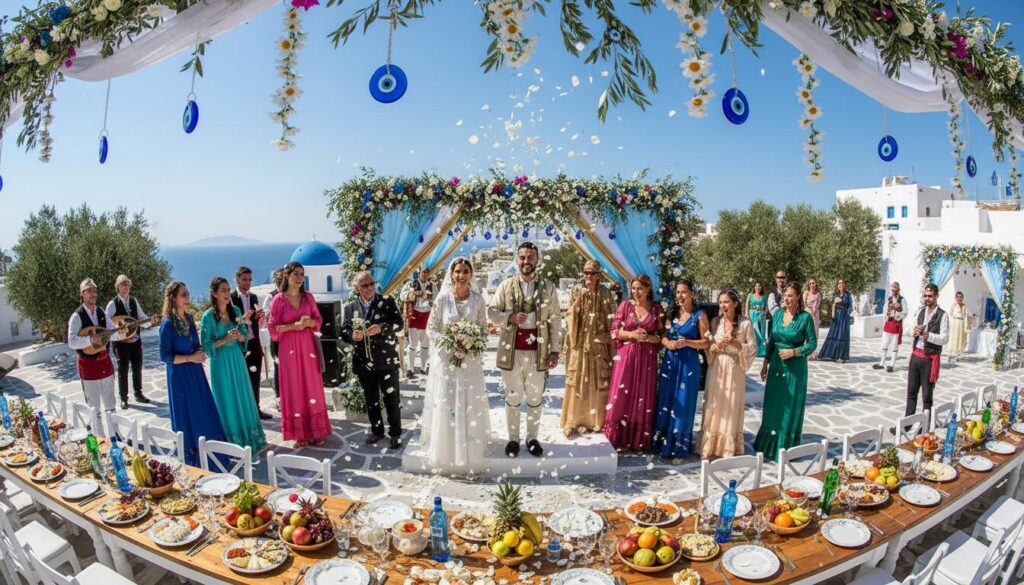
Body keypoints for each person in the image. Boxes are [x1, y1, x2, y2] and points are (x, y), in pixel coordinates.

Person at [488, 242, 563, 458]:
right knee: (513, 396)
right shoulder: (505, 285)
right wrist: (509, 317)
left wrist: (555, 351)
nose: (526, 261)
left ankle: (532, 438)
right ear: (516, 260)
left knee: (534, 396)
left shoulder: (548, 287)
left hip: (537, 352)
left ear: (537, 260)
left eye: (530, 257)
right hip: (511, 352)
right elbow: (492, 311)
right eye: (522, 257)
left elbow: (555, 320)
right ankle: (513, 439)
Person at [418, 258, 491, 474]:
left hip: (469, 363)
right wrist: (450, 346)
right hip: (446, 362)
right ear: (451, 275)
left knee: (468, 401)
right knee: (447, 402)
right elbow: (432, 329)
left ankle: (468, 448)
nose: (461, 275)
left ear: (471, 274)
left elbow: (483, 330)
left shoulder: (478, 301)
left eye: (466, 271)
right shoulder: (441, 299)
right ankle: (446, 449)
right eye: (457, 271)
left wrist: (468, 344)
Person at [158, 282, 226, 466]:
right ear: (173, 298)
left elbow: (193, 343)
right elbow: (165, 356)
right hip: (180, 377)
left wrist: (199, 351)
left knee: (204, 410)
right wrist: (190, 358)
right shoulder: (167, 325)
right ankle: (194, 459)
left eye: (188, 294)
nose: (188, 298)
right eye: (183, 295)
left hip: (196, 374)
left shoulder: (188, 318)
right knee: (189, 414)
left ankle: (214, 455)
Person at [269, 262, 332, 448]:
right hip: (288, 349)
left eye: (301, 274)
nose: (299, 277)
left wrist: (310, 322)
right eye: (295, 273)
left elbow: (319, 320)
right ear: (287, 276)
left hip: (307, 347)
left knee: (312, 385)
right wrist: (292, 326)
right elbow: (273, 329)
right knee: (294, 387)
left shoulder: (308, 298)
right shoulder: (278, 300)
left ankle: (317, 431)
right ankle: (300, 434)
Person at [201, 277, 267, 451]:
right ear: (214, 294)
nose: (226, 293)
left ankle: (251, 437)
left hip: (237, 360)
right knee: (228, 399)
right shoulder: (207, 317)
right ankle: (233, 443)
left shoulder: (236, 311)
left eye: (228, 289)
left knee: (243, 395)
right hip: (221, 364)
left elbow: (245, 335)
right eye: (222, 290)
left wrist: (239, 337)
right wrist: (225, 339)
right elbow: (206, 347)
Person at [340, 271, 404, 449]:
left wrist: (382, 328)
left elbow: (399, 323)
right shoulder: (350, 307)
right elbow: (343, 331)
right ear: (357, 288)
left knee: (391, 398)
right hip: (363, 362)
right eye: (364, 285)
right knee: (371, 398)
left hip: (386, 360)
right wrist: (352, 335)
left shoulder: (387, 301)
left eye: (371, 284)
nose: (369, 288)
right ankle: (377, 431)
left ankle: (395, 434)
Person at [753, 281, 817, 460]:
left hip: (795, 368)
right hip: (775, 365)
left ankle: (784, 448)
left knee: (789, 406)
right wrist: (765, 363)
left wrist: (795, 352)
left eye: (790, 295)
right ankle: (767, 445)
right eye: (785, 295)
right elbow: (772, 340)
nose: (787, 298)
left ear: (798, 296)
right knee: (773, 404)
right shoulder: (778, 314)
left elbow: (812, 344)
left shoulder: (805, 318)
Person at [604, 275, 663, 452]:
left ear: (648, 289)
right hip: (627, 356)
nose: (636, 292)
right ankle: (617, 437)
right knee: (622, 395)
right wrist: (632, 335)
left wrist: (650, 337)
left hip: (647, 358)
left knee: (642, 395)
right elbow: (614, 332)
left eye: (639, 288)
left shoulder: (656, 309)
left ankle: (638, 439)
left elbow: (662, 336)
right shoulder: (625, 306)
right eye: (633, 288)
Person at [652, 279, 708, 459]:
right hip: (670, 362)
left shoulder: (700, 315)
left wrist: (687, 343)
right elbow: (663, 336)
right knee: (666, 400)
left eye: (684, 292)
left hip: (688, 363)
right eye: (678, 292)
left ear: (692, 294)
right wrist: (667, 342)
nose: (680, 295)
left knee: (683, 403)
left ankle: (678, 446)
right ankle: (661, 443)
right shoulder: (672, 314)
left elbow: (707, 342)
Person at [699, 289, 757, 459]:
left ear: (735, 304)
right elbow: (710, 346)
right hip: (716, 367)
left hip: (734, 368)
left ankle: (727, 447)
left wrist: (735, 343)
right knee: (714, 405)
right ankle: (710, 446)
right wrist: (714, 347)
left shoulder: (745, 324)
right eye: (721, 302)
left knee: (731, 405)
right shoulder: (715, 322)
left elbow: (753, 349)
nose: (723, 305)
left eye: (726, 302)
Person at [561, 260, 615, 437]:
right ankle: (574, 420)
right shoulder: (577, 291)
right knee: (577, 379)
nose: (588, 276)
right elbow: (570, 315)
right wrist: (577, 302)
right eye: (585, 272)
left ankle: (597, 420)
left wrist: (606, 337)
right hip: (580, 343)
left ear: (599, 275)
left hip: (599, 345)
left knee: (599, 380)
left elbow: (612, 318)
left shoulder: (605, 293)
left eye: (591, 273)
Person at [68, 278, 127, 413]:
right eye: (89, 291)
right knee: (94, 409)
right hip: (88, 365)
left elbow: (111, 332)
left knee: (111, 405)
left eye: (94, 291)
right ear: (82, 294)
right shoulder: (77, 316)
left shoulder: (101, 312)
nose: (93, 294)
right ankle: (97, 434)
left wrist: (122, 333)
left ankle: (115, 434)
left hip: (105, 362)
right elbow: (71, 341)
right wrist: (90, 339)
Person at [104, 274, 156, 410]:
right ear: (117, 287)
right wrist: (118, 329)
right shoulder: (112, 304)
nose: (126, 287)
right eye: (123, 285)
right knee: (123, 369)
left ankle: (138, 394)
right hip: (121, 343)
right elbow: (106, 323)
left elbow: (141, 318)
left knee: (137, 367)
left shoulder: (133, 301)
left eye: (127, 285)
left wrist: (150, 321)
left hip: (135, 341)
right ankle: (124, 398)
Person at [232, 267, 272, 420]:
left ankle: (256, 409)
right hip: (239, 344)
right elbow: (231, 322)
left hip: (254, 342)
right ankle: (243, 411)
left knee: (255, 378)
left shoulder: (254, 297)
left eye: (249, 279)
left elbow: (255, 322)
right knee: (241, 378)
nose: (248, 282)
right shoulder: (231, 298)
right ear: (237, 279)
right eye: (244, 279)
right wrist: (243, 317)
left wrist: (258, 315)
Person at [906, 283, 949, 416]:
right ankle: (907, 424)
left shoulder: (943, 315)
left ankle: (924, 427)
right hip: (915, 356)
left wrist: (928, 336)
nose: (927, 298)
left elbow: (944, 338)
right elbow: (909, 328)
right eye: (925, 296)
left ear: (936, 296)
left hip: (929, 359)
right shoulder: (920, 311)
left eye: (930, 296)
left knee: (926, 396)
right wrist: (913, 331)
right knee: (911, 393)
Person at [400, 265, 436, 378]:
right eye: (423, 272)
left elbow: (437, 298)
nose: (424, 274)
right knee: (413, 343)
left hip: (427, 315)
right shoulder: (411, 284)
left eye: (426, 272)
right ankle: (410, 369)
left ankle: (423, 368)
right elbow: (402, 296)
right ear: (419, 272)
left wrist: (429, 296)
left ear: (429, 274)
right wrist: (414, 294)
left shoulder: (433, 285)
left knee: (425, 344)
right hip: (414, 314)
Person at [874, 282, 907, 372]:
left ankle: (891, 365)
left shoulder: (902, 300)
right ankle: (882, 363)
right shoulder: (889, 299)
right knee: (884, 344)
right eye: (892, 288)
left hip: (896, 325)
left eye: (895, 288)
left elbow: (905, 312)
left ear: (898, 289)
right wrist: (887, 315)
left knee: (894, 346)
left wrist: (898, 313)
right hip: (888, 324)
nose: (893, 289)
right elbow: (885, 310)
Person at [818, 279, 852, 363]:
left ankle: (841, 356)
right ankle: (830, 354)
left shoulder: (848, 294)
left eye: (842, 283)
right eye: (839, 283)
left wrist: (841, 301)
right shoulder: (835, 294)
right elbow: (833, 304)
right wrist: (833, 314)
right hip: (836, 315)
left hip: (844, 316)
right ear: (837, 285)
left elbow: (849, 305)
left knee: (841, 335)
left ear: (845, 284)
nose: (841, 284)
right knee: (833, 334)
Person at [265, 268, 285, 406]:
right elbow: (267, 318)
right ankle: (280, 399)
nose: (280, 283)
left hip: (291, 337)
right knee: (278, 368)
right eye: (277, 281)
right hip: (277, 338)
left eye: (282, 280)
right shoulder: (271, 297)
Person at [947, 291, 972, 363]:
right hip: (955, 323)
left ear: (962, 298)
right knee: (953, 338)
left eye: (961, 297)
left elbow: (966, 315)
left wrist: (968, 322)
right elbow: (951, 313)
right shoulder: (954, 306)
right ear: (956, 298)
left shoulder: (964, 306)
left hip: (962, 323)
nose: (959, 298)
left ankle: (959, 354)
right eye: (958, 297)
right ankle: (950, 354)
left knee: (961, 338)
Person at [745, 281, 767, 358]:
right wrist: (747, 315)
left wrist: (764, 313)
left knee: (761, 333)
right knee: (753, 333)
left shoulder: (764, 296)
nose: (758, 287)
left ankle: (760, 352)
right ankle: (752, 351)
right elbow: (747, 306)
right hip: (752, 315)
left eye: (759, 286)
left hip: (761, 316)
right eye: (756, 286)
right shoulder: (750, 295)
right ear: (754, 287)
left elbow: (766, 307)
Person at [803, 277, 822, 360]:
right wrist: (809, 307)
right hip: (807, 313)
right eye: (810, 283)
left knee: (814, 332)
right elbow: (804, 303)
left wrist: (814, 308)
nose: (811, 285)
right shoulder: (806, 293)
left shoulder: (818, 294)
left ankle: (813, 353)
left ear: (816, 284)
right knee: (806, 333)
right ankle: (806, 351)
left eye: (813, 283)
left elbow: (818, 304)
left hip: (815, 314)